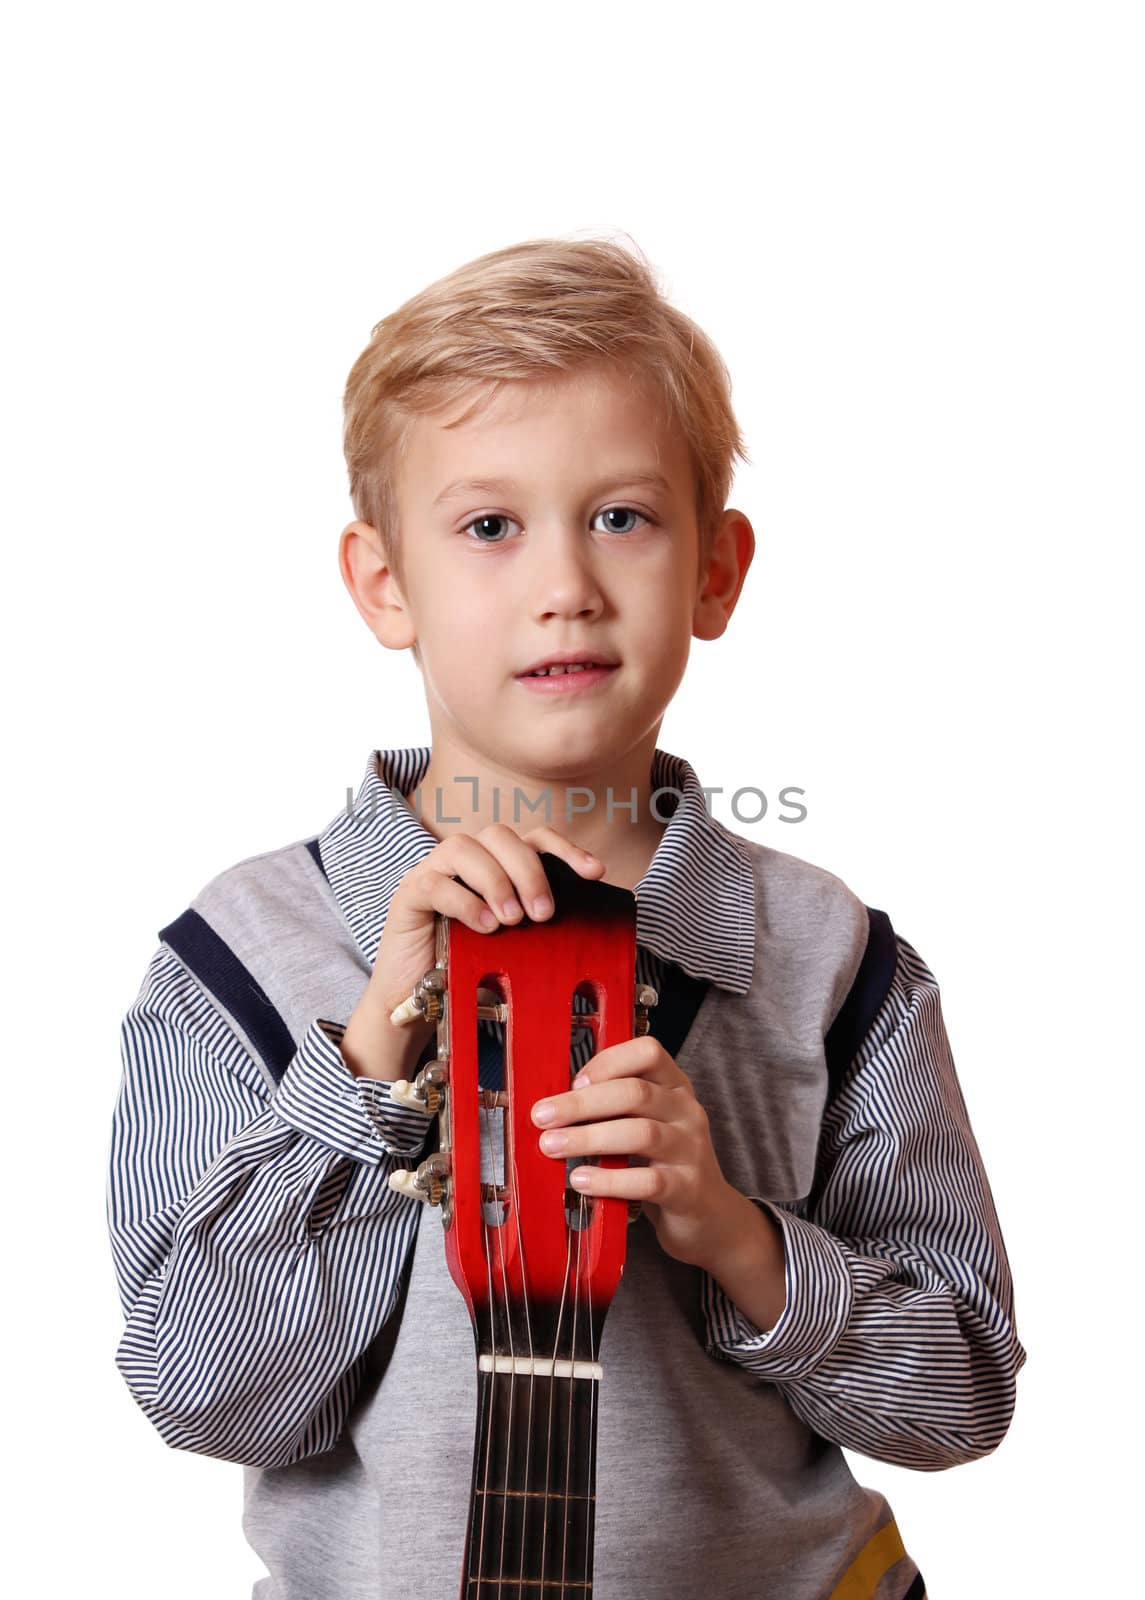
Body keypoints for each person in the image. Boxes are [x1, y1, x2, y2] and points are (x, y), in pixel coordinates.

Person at [106, 235, 1026, 1600]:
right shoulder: (239, 955)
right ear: (381, 581)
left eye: (621, 518)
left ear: (716, 571)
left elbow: (958, 1399)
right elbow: (205, 1392)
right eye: (488, 526)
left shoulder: (830, 963)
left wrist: (736, 1235)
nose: (566, 586)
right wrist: (361, 1078)